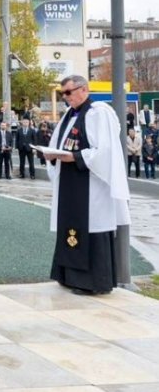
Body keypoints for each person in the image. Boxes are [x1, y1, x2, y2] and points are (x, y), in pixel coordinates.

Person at [44, 75, 130, 295]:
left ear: (84, 89)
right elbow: (58, 143)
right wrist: (51, 155)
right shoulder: (69, 115)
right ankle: (68, 276)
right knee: (69, 226)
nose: (65, 97)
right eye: (62, 94)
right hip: (70, 182)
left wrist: (75, 157)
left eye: (68, 92)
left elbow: (105, 151)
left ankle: (91, 282)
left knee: (89, 228)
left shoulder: (98, 113)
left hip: (91, 186)